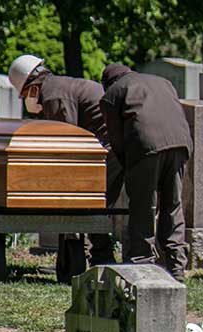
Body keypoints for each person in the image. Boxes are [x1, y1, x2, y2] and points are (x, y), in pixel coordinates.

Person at [10, 55, 123, 265]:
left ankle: (102, 257)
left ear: (31, 86)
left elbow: (66, 141)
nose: (26, 99)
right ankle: (100, 254)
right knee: (94, 204)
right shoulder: (58, 86)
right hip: (110, 146)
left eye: (24, 94)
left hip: (110, 149)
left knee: (91, 204)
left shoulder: (53, 96)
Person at [99, 63, 192, 278]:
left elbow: (116, 139)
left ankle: (143, 262)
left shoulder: (113, 92)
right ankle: (176, 266)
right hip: (180, 144)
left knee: (143, 205)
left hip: (146, 146)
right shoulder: (163, 82)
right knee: (173, 205)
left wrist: (126, 166)